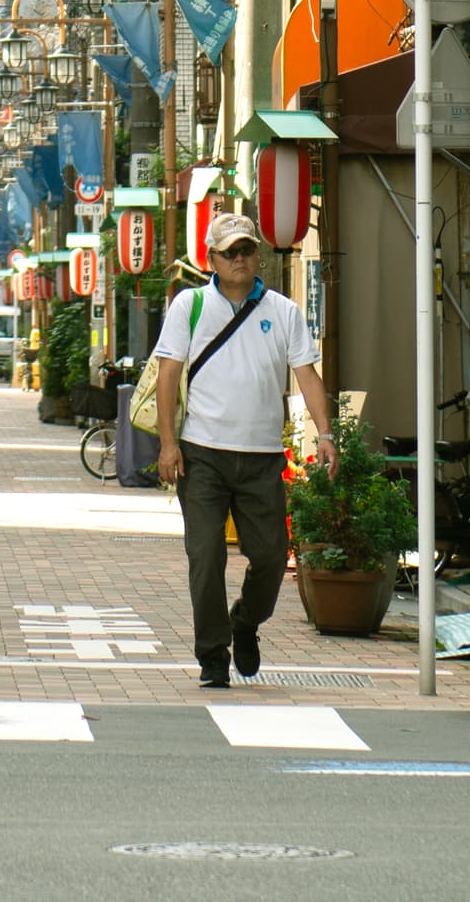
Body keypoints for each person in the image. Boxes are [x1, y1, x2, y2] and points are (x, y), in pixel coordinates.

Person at [149, 213, 333, 691]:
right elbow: (168, 374)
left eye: (247, 250)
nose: (240, 259)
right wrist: (168, 443)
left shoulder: (284, 310)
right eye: (230, 252)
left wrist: (327, 432)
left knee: (272, 557)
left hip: (261, 456)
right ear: (211, 258)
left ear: (258, 256)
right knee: (205, 554)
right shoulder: (189, 305)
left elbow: (307, 376)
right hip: (202, 454)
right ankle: (212, 655)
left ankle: (245, 621)